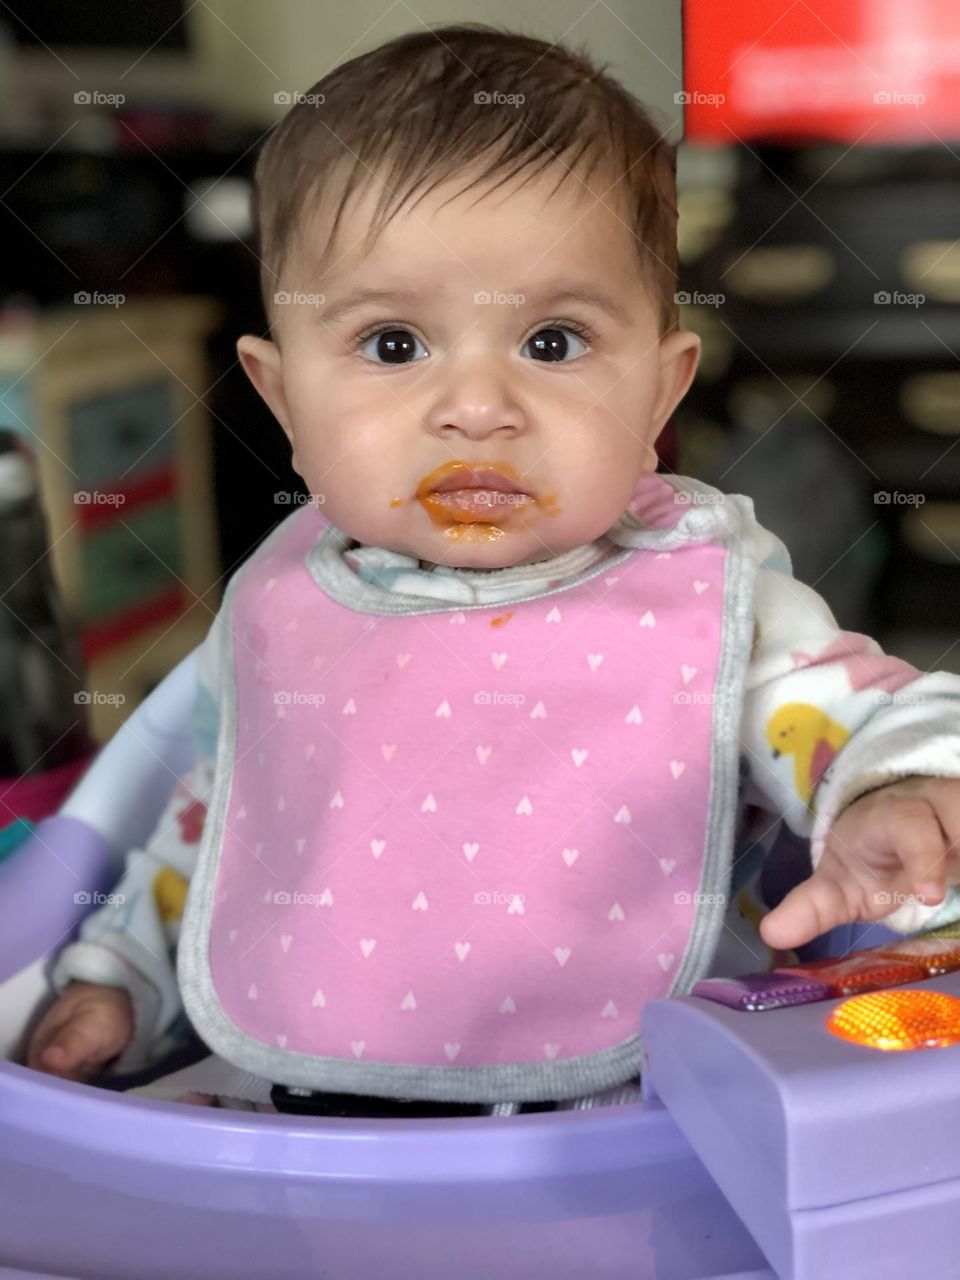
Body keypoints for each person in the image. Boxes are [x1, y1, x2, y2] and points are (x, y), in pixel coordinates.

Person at [26, 23, 960, 1111]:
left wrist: (895, 789)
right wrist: (122, 977)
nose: (477, 407)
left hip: (644, 1118)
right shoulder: (288, 607)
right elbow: (236, 823)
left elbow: (845, 709)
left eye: (553, 342)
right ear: (282, 400)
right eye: (392, 344)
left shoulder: (707, 588)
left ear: (661, 391)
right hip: (320, 1122)